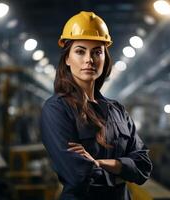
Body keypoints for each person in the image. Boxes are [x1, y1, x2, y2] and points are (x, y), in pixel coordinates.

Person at [40, 11, 152, 200]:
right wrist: (122, 170)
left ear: (104, 58)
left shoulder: (117, 110)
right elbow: (77, 175)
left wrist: (99, 163)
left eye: (97, 52)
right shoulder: (56, 109)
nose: (89, 60)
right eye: (80, 51)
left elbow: (144, 165)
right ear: (67, 58)